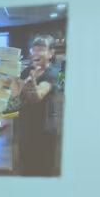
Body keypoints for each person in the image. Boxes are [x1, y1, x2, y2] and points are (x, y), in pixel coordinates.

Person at [9, 35, 63, 177]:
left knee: (41, 170)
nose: (36, 53)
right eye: (34, 49)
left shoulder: (54, 73)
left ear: (51, 53)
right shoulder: (27, 71)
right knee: (25, 167)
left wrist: (32, 81)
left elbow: (36, 97)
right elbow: (16, 95)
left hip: (44, 130)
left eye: (41, 49)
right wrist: (13, 76)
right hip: (25, 126)